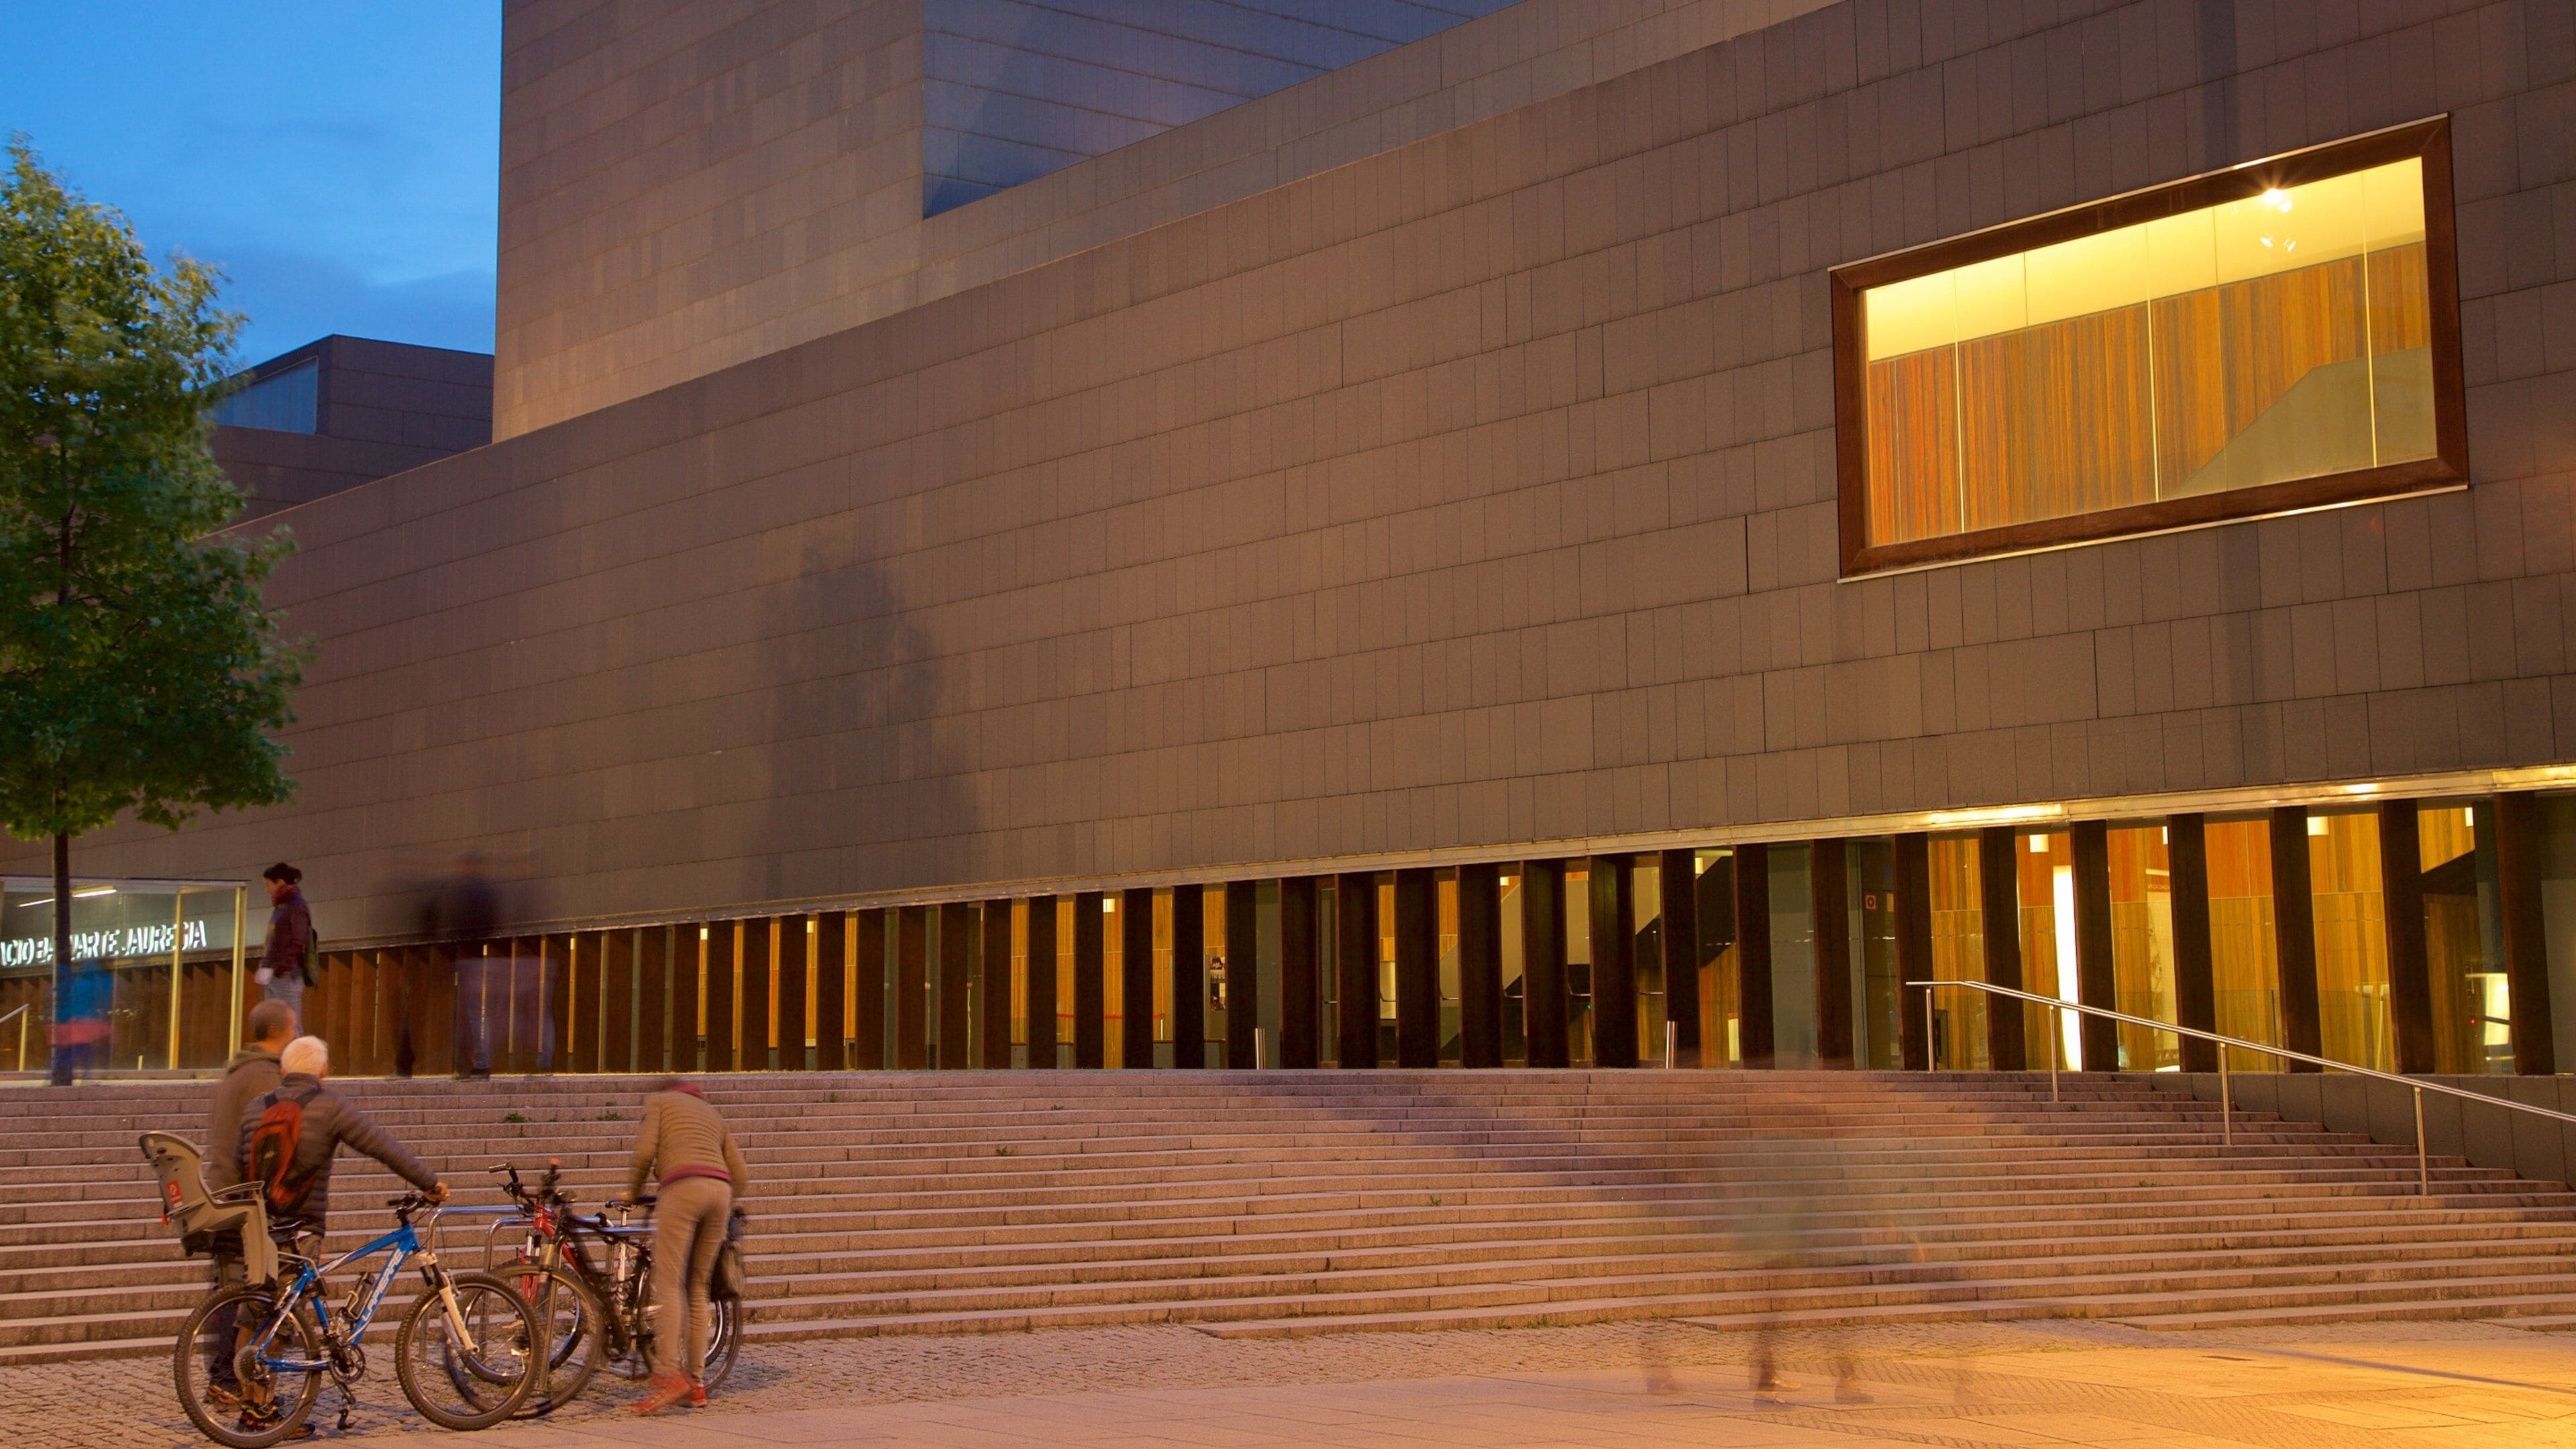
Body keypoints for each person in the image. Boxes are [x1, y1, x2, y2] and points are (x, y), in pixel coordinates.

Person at [621, 1077, 748, 1414]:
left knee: (669, 1283)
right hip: (720, 1193)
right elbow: (741, 1174)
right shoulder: (711, 1113)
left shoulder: (660, 1103)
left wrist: (633, 1192)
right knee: (697, 1288)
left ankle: (667, 1375)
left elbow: (645, 1153)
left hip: (682, 1188)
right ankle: (696, 1384)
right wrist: (722, 1199)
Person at [199, 999, 296, 1407]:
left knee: (230, 1289)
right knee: (244, 1291)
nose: (296, 1034)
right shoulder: (265, 1078)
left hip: (223, 1190)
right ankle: (230, 1379)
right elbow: (268, 1143)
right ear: (280, 1032)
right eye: (293, 1028)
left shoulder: (237, 1072)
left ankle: (223, 1377)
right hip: (245, 1197)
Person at [427, 854, 500, 1077]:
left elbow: (450, 920)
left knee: (470, 1013)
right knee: (476, 1012)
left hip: (466, 956)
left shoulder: (461, 892)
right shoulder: (487, 891)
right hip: (478, 955)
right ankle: (479, 1061)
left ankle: (474, 1062)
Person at [254, 864, 314, 1018]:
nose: (267, 890)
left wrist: (281, 968)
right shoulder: (283, 907)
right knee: (275, 1023)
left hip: (287, 975)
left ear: (280, 882)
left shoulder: (296, 906)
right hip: (276, 974)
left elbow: (298, 941)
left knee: (290, 1023)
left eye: (268, 885)